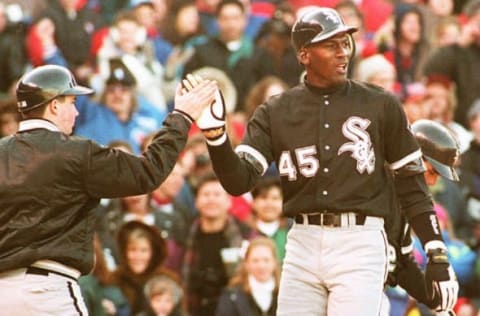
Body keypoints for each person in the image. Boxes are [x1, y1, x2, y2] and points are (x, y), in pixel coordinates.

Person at [182, 7, 458, 315]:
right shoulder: (276, 111)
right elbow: (238, 182)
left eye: (345, 43)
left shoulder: (380, 104)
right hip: (302, 240)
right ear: (304, 54)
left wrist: (437, 253)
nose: (342, 52)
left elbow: (411, 184)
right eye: (330, 44)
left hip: (361, 239)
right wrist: (217, 137)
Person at [0, 64, 217, 314]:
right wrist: (181, 117)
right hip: (48, 290)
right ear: (54, 105)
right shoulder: (77, 152)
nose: (77, 113)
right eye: (71, 102)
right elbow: (148, 172)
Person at [384, 119, 462, 315]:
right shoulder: (377, 191)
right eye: (430, 172)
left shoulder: (404, 203)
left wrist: (434, 298)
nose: (432, 181)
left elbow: (402, 265)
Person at [216, 236, 281, 316]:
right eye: (255, 260)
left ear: (274, 262)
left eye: (266, 260)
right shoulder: (232, 295)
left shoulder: (286, 293)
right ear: (247, 263)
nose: (261, 266)